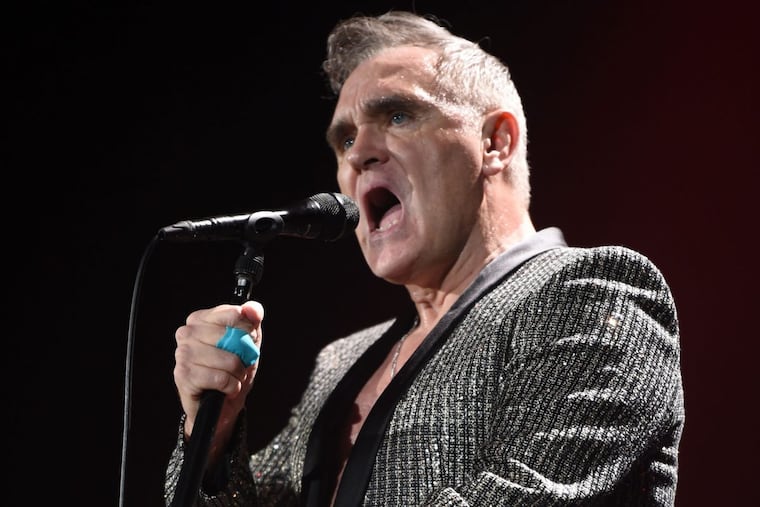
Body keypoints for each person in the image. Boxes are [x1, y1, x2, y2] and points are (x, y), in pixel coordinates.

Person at [164, 10, 684, 506]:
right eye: (345, 139)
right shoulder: (340, 361)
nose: (358, 153)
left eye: (398, 115)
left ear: (495, 142)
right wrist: (213, 435)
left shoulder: (593, 294)